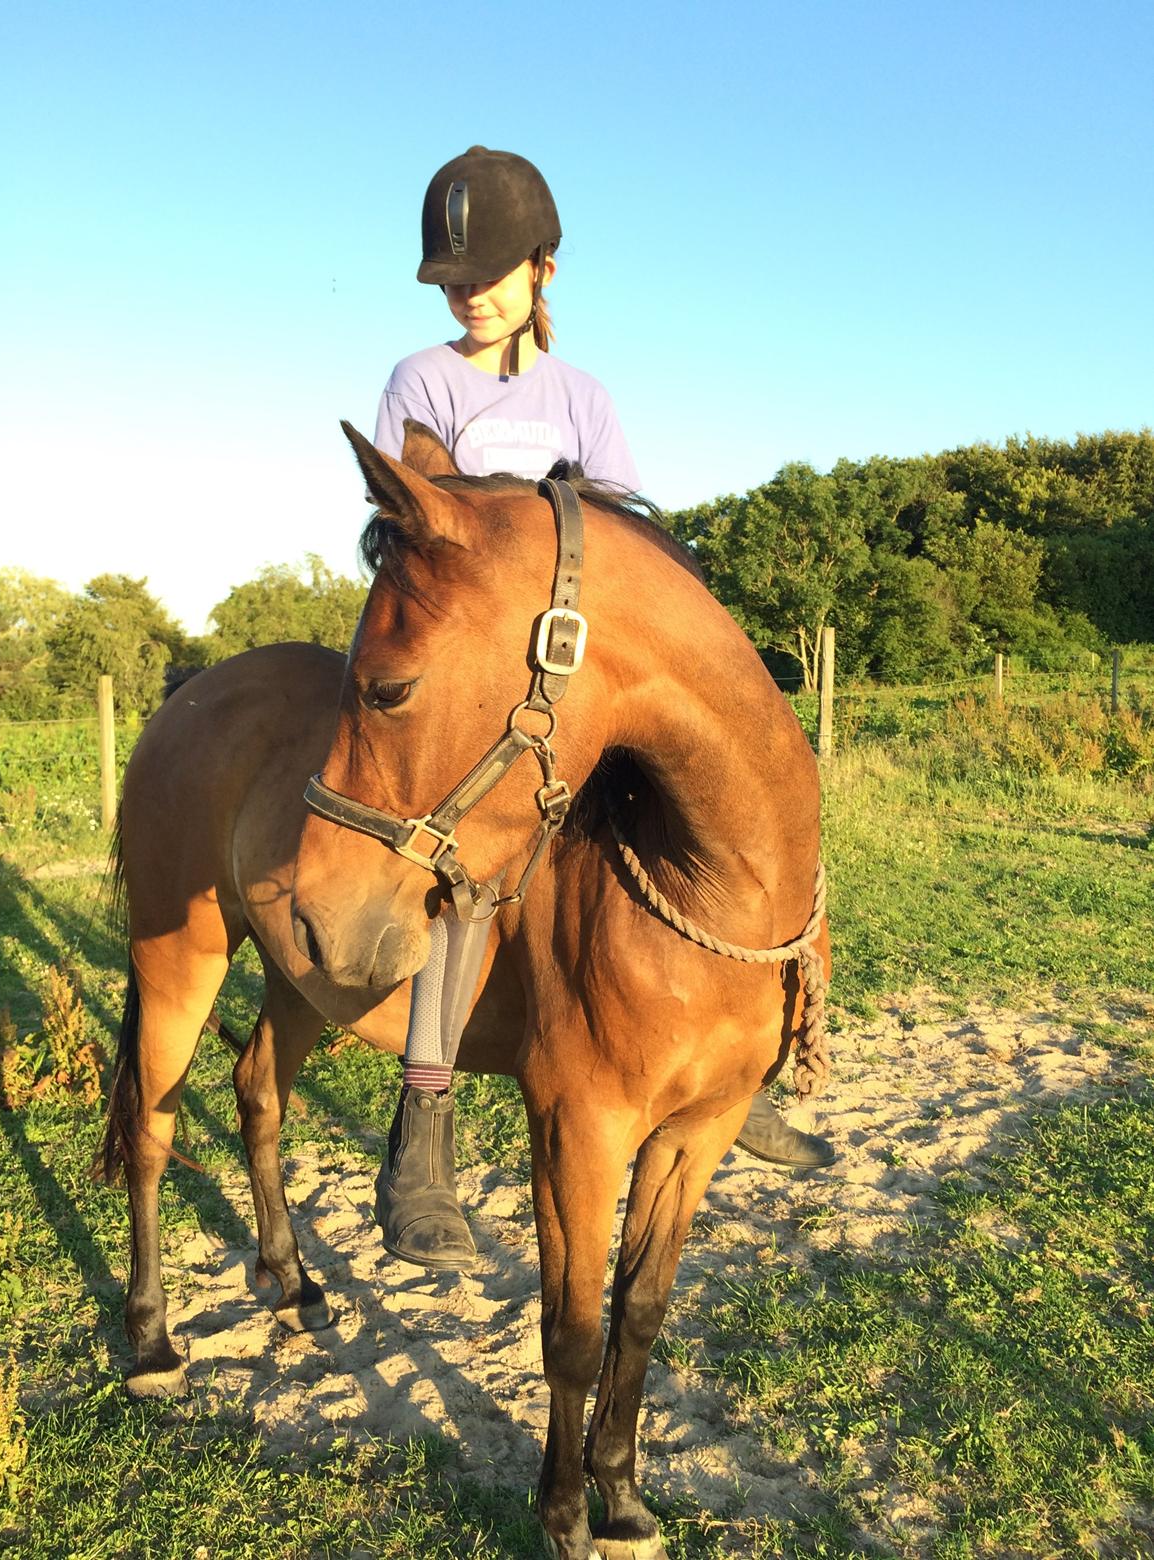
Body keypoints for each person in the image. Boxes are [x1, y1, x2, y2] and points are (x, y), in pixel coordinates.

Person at [371, 146, 834, 1274]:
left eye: (485, 269)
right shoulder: (421, 384)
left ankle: (748, 1060)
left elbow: (625, 531)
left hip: (572, 659)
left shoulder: (584, 400)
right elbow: (405, 530)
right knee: (467, 873)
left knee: (751, 808)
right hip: (480, 660)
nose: (464, 291)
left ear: (543, 269)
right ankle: (421, 1133)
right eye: (449, 275)